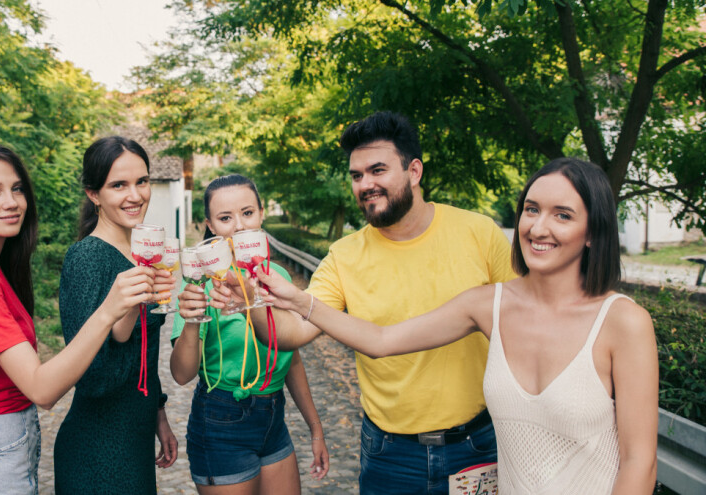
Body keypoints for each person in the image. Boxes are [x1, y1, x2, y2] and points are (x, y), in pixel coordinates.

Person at [251, 157, 659, 494]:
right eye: (531, 210)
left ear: (592, 232)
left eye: (563, 215)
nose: (538, 227)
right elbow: (381, 339)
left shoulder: (623, 322)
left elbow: (640, 462)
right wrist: (299, 301)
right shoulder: (488, 304)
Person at [212, 111, 517, 493]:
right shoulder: (344, 256)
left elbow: (522, 327)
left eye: (377, 170)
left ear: (414, 171)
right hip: (390, 453)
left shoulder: (479, 233)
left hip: (477, 446)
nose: (365, 184)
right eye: (357, 176)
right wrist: (252, 297)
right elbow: (289, 334)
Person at [0, 141, 157, 494]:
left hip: (5, 446)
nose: (11, 202)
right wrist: (109, 310)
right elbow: (42, 389)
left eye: (17, 188)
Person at [171, 174, 329, 494]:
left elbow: (290, 357)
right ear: (211, 225)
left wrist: (315, 428)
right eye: (225, 218)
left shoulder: (278, 276)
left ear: (261, 213)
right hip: (221, 420)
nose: (239, 226)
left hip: (273, 420)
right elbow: (181, 374)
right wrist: (192, 319)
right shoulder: (202, 283)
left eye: (247, 213)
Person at [53, 136, 178, 494]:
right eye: (118, 185)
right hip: (98, 449)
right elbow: (92, 378)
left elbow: (144, 354)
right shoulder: (88, 258)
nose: (135, 195)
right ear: (94, 194)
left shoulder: (140, 250)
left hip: (134, 439)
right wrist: (129, 312)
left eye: (142, 181)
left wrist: (158, 413)